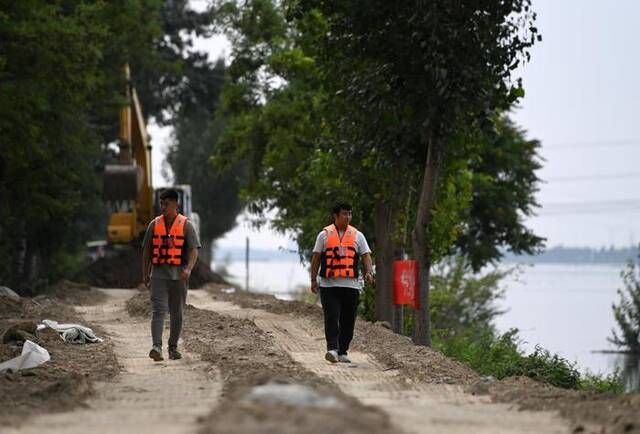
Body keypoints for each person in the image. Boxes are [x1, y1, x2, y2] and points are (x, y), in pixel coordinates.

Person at [310, 203, 374, 363]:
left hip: (351, 285)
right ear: (336, 216)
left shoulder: (358, 235)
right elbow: (316, 257)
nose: (348, 217)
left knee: (348, 319)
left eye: (350, 214)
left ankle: (343, 350)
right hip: (328, 285)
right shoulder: (323, 235)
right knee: (331, 317)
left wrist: (369, 272)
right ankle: (332, 349)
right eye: (345, 214)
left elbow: (366, 255)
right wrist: (313, 279)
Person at [142, 188, 201, 362]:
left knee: (177, 313)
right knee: (158, 310)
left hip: (179, 276)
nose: (163, 207)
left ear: (175, 204)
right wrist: (145, 272)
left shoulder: (186, 225)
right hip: (158, 275)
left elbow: (193, 251)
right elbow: (146, 251)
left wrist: (189, 268)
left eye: (166, 204)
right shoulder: (154, 224)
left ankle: (173, 348)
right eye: (161, 203)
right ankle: (156, 347)